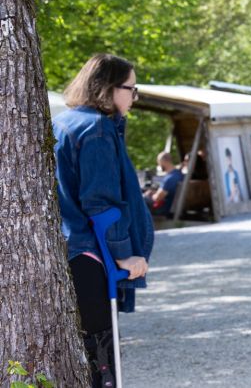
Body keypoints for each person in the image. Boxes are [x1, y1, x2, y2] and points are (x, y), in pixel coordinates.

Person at [53, 54, 154, 388]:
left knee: (89, 353)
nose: (134, 96)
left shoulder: (64, 122)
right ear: (108, 88)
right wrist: (123, 254)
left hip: (72, 250)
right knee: (102, 358)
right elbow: (101, 203)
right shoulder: (97, 129)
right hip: (91, 255)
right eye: (131, 88)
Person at [144, 151, 184, 217]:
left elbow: (157, 198)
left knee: (140, 199)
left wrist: (148, 195)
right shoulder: (179, 174)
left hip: (164, 209)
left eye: (159, 163)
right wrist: (153, 193)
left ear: (163, 162)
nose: (159, 165)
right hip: (173, 206)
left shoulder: (170, 178)